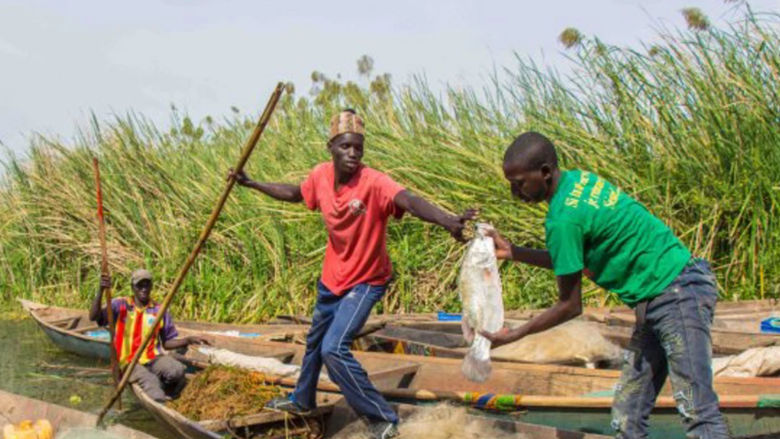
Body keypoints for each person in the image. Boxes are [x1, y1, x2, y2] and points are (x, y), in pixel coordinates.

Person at [230, 109, 475, 439]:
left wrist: (447, 220)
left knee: (334, 348)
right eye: (346, 147)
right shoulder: (319, 176)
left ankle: (382, 418)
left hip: (367, 280)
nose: (353, 154)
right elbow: (295, 194)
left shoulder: (374, 182)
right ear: (331, 147)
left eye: (358, 147)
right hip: (332, 279)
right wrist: (252, 183)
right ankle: (302, 400)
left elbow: (410, 201)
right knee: (315, 342)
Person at [481, 132, 730, 439]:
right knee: (628, 414)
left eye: (519, 182)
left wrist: (514, 335)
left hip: (676, 294)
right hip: (659, 296)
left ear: (545, 173)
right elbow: (574, 261)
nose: (514, 191)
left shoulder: (562, 219)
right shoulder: (579, 181)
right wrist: (515, 252)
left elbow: (570, 306)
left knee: (698, 412)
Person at [89, 269, 210, 402]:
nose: (144, 289)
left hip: (152, 358)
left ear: (151, 286)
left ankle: (168, 394)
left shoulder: (159, 310)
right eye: (139, 285)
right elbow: (94, 317)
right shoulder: (121, 305)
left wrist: (188, 340)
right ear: (132, 287)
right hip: (128, 362)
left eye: (147, 285)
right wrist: (101, 291)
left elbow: (167, 343)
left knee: (177, 370)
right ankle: (159, 401)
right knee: (151, 383)